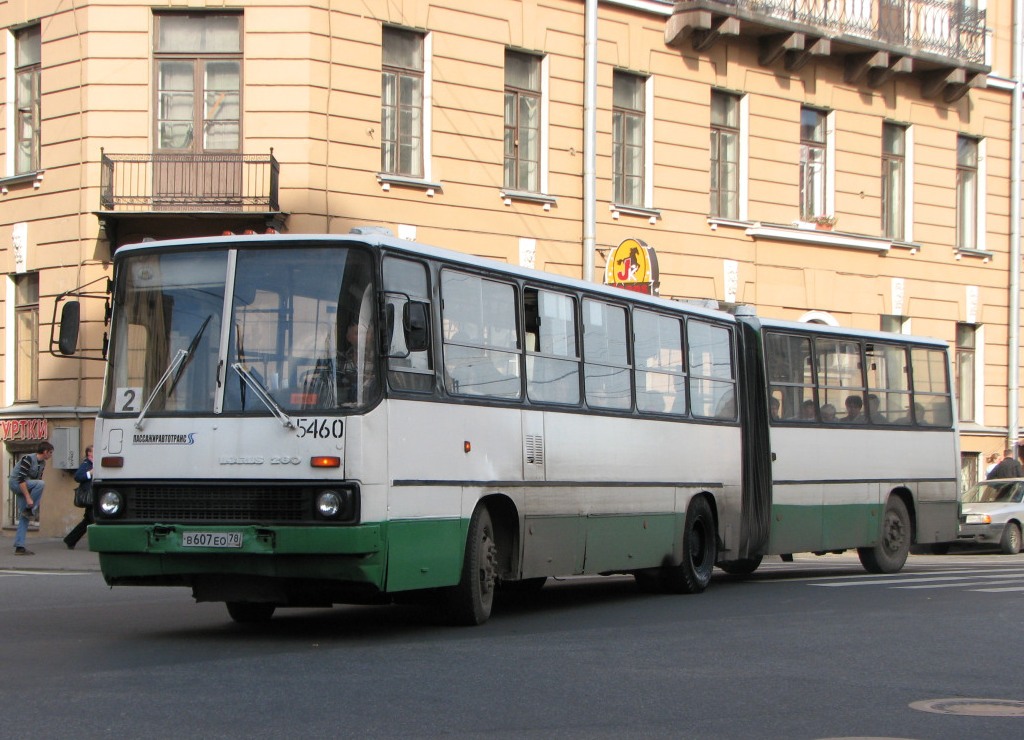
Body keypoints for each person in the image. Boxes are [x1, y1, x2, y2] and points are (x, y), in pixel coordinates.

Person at [8, 440, 54, 556]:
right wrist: (29, 499)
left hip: (26, 486)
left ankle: (20, 547)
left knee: (24, 516)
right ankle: (29, 509)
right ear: (45, 451)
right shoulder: (28, 459)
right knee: (41, 484)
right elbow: (21, 480)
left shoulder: (42, 464)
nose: (51, 455)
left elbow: (35, 483)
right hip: (16, 484)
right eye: (50, 452)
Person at [64, 445, 94, 550]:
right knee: (93, 520)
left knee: (88, 521)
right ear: (89, 453)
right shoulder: (87, 464)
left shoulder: (94, 464)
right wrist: (89, 473)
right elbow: (77, 477)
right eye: (94, 451)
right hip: (89, 496)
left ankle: (70, 540)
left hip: (93, 496)